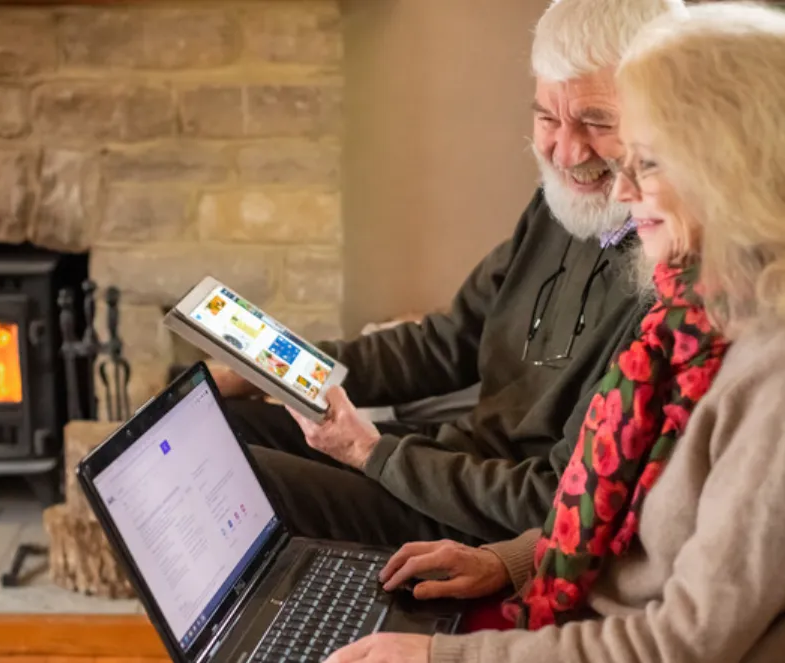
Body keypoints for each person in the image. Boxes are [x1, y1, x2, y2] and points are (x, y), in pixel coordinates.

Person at [327, 3, 785, 660]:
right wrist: (513, 560)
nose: (620, 191)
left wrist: (437, 658)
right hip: (559, 596)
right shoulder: (695, 320)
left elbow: (678, 644)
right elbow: (633, 526)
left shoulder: (765, 376)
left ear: (728, 169)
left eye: (647, 162)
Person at [215, 0, 684, 548]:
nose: (565, 151)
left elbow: (551, 500)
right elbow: (449, 342)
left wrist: (369, 452)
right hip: (444, 463)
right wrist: (275, 363)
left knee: (234, 477)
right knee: (221, 424)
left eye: (597, 122)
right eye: (547, 118)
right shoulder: (562, 205)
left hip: (476, 520)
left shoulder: (664, 281)